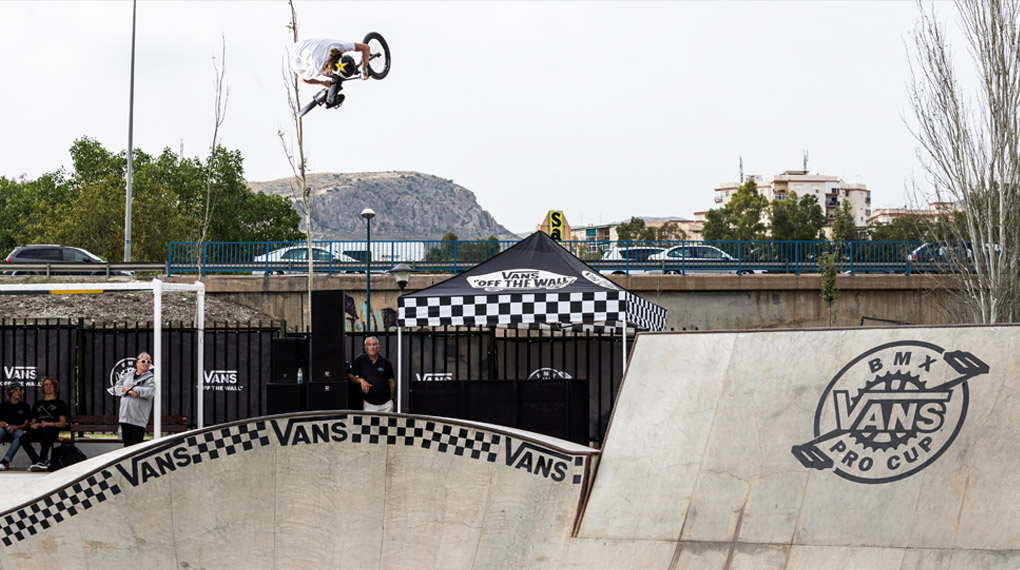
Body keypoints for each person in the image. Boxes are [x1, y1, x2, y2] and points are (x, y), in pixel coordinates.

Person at [290, 37, 371, 108]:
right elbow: (301, 78)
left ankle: (334, 87)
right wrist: (322, 83)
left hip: (302, 44)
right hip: (297, 63)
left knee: (338, 76)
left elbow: (365, 48)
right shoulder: (318, 67)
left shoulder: (339, 46)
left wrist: (364, 70)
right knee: (337, 78)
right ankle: (331, 100)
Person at [21, 377, 69, 472]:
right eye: (46, 385)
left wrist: (49, 423)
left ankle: (42, 460)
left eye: (50, 384)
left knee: (46, 430)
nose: (48, 387)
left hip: (52, 430)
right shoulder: (37, 404)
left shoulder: (60, 404)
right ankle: (37, 461)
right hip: (39, 430)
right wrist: (33, 425)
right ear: (42, 388)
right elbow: (33, 422)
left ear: (55, 387)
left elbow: (62, 424)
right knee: (23, 438)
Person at [113, 352, 156, 447]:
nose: (146, 363)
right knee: (126, 446)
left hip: (138, 418)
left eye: (149, 362)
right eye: (143, 361)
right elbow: (117, 388)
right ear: (137, 363)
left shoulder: (150, 378)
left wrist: (132, 388)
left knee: (136, 447)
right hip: (125, 416)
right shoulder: (127, 375)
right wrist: (128, 392)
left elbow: (150, 392)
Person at [347, 336, 396, 412]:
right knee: (369, 423)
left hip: (386, 404)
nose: (372, 347)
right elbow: (350, 376)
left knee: (387, 423)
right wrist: (360, 380)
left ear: (378, 347)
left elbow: (391, 381)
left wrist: (391, 397)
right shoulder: (360, 360)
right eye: (369, 345)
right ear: (365, 348)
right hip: (369, 403)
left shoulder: (386, 362)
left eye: (374, 344)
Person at [0, 382, 31, 470]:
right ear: (10, 392)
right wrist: (2, 424)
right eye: (16, 390)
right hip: (3, 429)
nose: (18, 392)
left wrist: (14, 427)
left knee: (20, 435)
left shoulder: (25, 406)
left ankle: (4, 461)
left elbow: (26, 424)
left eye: (20, 390)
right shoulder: (2, 406)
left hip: (17, 429)